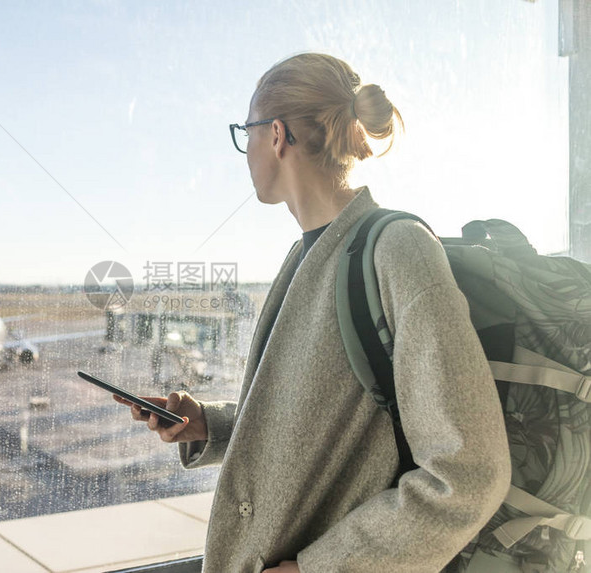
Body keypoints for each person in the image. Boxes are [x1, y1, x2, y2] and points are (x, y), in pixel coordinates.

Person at [113, 53, 512, 573]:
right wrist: (206, 424)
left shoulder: (399, 251)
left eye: (246, 132)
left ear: (276, 135)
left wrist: (319, 569)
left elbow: (468, 472)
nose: (246, 150)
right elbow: (322, 425)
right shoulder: (303, 257)